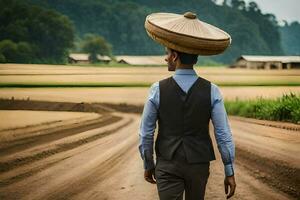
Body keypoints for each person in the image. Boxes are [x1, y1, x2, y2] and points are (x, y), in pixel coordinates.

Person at [139, 12, 236, 200]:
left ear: (175, 56)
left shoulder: (157, 89)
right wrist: (229, 170)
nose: (165, 58)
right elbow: (223, 134)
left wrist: (148, 164)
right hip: (198, 165)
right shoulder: (212, 91)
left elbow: (146, 133)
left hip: (167, 164)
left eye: (167, 53)